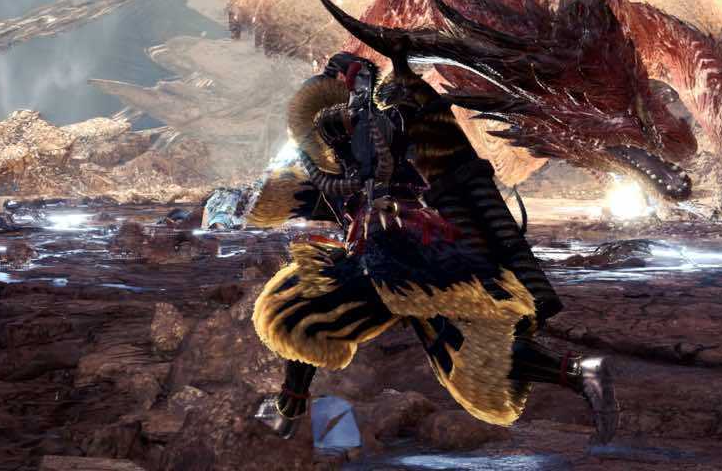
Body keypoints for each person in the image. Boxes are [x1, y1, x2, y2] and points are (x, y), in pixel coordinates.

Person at [245, 47, 617, 443]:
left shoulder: (376, 128)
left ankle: (288, 410)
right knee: (469, 354)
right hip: (412, 257)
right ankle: (579, 372)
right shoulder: (339, 149)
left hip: (407, 256)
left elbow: (384, 181)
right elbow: (309, 197)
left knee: (295, 306)